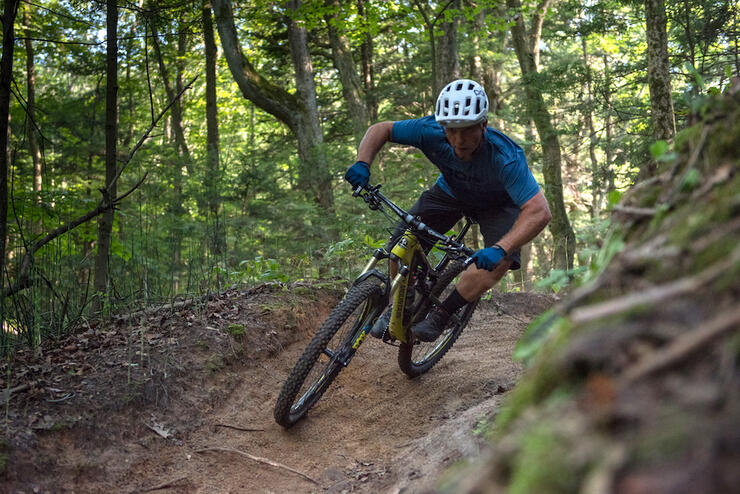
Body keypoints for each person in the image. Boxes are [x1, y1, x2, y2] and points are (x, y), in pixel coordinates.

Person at [345, 79, 551, 342]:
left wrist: (500, 248)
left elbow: (539, 210)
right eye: (451, 130)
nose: (459, 139)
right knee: (400, 245)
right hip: (452, 192)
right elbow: (381, 129)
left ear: (483, 125)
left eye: (467, 130)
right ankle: (402, 303)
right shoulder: (429, 131)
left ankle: (443, 314)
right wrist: (363, 162)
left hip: (499, 204)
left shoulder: (505, 157)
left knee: (499, 262)